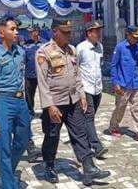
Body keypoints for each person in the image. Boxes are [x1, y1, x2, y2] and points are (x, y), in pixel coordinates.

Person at [36, 19, 110, 185]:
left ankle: (89, 168)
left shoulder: (72, 50)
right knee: (52, 135)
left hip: (73, 100)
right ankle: (49, 166)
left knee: (80, 133)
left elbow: (76, 76)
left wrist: (82, 96)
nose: (69, 35)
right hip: (55, 103)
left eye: (70, 31)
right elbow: (42, 82)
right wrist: (50, 106)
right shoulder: (44, 52)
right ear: (55, 31)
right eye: (65, 32)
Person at [0, 16, 32, 188]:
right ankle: (9, 184)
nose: (17, 32)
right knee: (4, 145)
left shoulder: (21, 52)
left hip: (21, 102)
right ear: (1, 32)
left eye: (16, 29)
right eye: (12, 29)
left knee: (24, 139)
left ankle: (7, 172)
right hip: (3, 102)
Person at [109, 26, 138, 143]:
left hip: (136, 82)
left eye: (137, 38)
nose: (135, 40)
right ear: (128, 35)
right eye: (134, 37)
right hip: (122, 84)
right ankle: (114, 126)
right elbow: (113, 66)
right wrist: (115, 83)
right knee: (120, 108)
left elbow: (137, 61)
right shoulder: (120, 48)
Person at [76, 20, 108, 158]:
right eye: (96, 31)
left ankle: (85, 141)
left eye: (100, 30)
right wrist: (79, 90)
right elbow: (76, 69)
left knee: (90, 118)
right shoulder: (81, 48)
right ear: (89, 33)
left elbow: (99, 65)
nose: (99, 33)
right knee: (89, 117)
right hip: (86, 88)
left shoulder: (100, 46)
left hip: (97, 88)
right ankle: (97, 146)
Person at [23, 26, 42, 117]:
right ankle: (30, 112)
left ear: (37, 32)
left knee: (44, 94)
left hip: (42, 74)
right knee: (29, 95)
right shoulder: (25, 45)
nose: (29, 34)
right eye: (29, 32)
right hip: (29, 74)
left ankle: (46, 112)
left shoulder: (44, 43)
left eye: (31, 32)